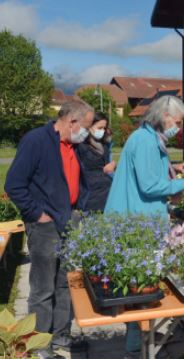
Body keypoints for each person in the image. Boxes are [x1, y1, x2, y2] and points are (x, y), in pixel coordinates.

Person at [103, 95, 184, 357]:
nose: (178, 128)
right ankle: (137, 345)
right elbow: (149, 186)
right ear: (164, 116)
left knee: (140, 282)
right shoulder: (145, 141)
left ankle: (139, 337)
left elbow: (150, 174)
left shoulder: (147, 137)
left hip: (138, 215)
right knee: (141, 284)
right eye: (177, 122)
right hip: (136, 219)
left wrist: (173, 168)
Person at [5, 100, 94, 359]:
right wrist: (37, 214)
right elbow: (14, 184)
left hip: (70, 220)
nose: (86, 133)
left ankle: (60, 336)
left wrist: (81, 208)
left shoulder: (74, 145)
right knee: (43, 288)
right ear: (72, 121)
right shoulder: (36, 141)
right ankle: (39, 344)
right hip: (45, 226)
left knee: (67, 283)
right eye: (85, 127)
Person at [76, 112, 115, 212]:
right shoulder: (80, 146)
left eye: (104, 128)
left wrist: (113, 167)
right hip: (90, 198)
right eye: (99, 128)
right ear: (89, 127)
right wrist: (104, 171)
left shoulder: (106, 145)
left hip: (107, 195)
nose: (102, 131)